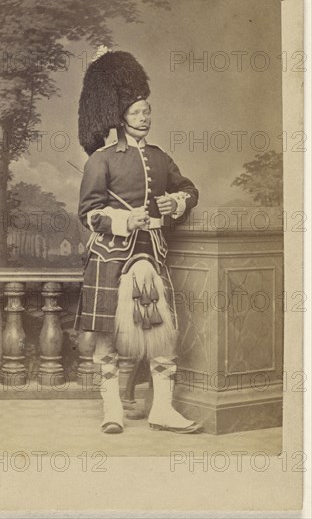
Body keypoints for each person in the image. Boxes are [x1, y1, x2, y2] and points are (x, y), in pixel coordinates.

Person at [77, 47, 203, 434]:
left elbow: (190, 190)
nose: (144, 117)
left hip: (153, 253)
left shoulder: (161, 157)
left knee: (162, 335)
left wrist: (175, 201)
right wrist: (121, 219)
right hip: (113, 255)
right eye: (136, 112)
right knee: (110, 340)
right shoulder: (101, 159)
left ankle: (162, 410)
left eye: (147, 111)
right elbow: (88, 214)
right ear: (120, 118)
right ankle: (112, 409)